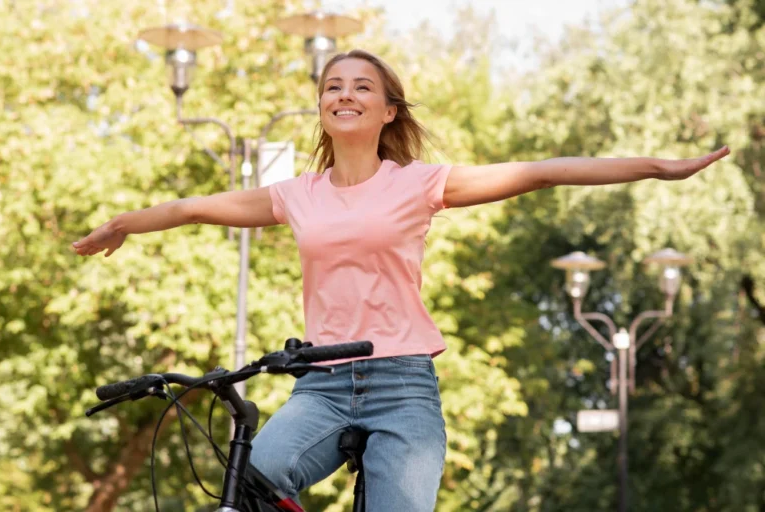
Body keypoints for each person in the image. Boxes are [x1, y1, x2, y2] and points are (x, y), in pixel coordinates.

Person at [72, 49, 729, 511]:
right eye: (333, 86)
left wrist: (656, 167)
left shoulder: (418, 184)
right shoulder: (296, 194)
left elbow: (540, 171)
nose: (344, 94)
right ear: (321, 108)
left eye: (362, 87)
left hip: (402, 385)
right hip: (320, 385)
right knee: (251, 480)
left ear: (389, 111)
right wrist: (123, 224)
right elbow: (193, 208)